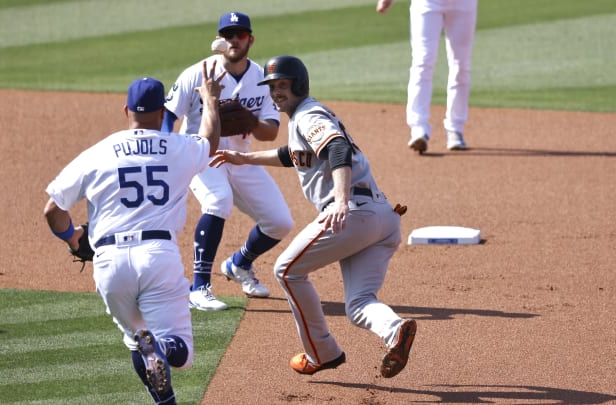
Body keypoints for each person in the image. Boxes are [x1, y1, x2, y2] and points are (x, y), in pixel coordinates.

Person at [210, 55, 417, 378]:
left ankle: (321, 352)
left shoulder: (308, 114)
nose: (277, 92)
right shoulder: (303, 120)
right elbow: (294, 155)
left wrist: (340, 201)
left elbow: (336, 149)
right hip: (381, 218)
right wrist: (244, 158)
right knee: (359, 303)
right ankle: (396, 330)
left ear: (299, 84)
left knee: (287, 270)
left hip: (352, 214)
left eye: (283, 85)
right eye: (272, 86)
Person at [43, 63, 225, 404]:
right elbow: (210, 142)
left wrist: (73, 240)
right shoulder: (179, 146)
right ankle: (161, 345)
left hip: (109, 263)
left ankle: (164, 397)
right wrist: (211, 101)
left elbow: (52, 210)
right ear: (162, 113)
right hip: (158, 257)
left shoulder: (98, 151)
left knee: (137, 340)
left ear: (126, 110)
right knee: (180, 353)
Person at [162, 11, 294, 311]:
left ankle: (239, 265)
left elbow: (270, 133)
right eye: (228, 34)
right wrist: (169, 150)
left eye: (241, 34)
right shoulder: (198, 73)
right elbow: (169, 116)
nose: (234, 39)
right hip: (201, 155)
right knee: (218, 201)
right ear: (219, 39)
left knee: (280, 222)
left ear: (251, 39)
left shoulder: (261, 78)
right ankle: (199, 287)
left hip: (239, 157)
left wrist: (250, 120)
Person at [377, 0, 478, 153]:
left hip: (463, 4)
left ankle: (455, 128)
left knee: (461, 66)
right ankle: (418, 128)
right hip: (427, 3)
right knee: (423, 61)